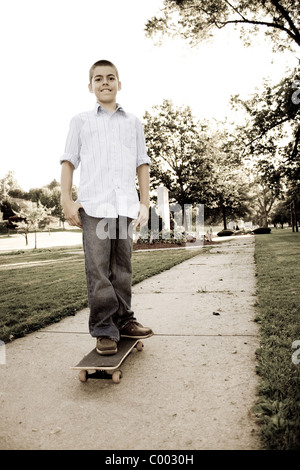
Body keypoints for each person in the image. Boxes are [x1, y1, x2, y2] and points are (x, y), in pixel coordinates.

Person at [60, 59, 153, 355]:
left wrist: (144, 202)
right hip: (95, 208)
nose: (105, 83)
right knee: (99, 270)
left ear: (119, 84)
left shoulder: (133, 122)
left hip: (124, 206)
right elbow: (68, 161)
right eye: (98, 79)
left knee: (122, 269)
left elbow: (142, 163)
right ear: (90, 86)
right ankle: (103, 330)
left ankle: (124, 321)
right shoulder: (80, 121)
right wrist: (66, 199)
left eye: (110, 78)